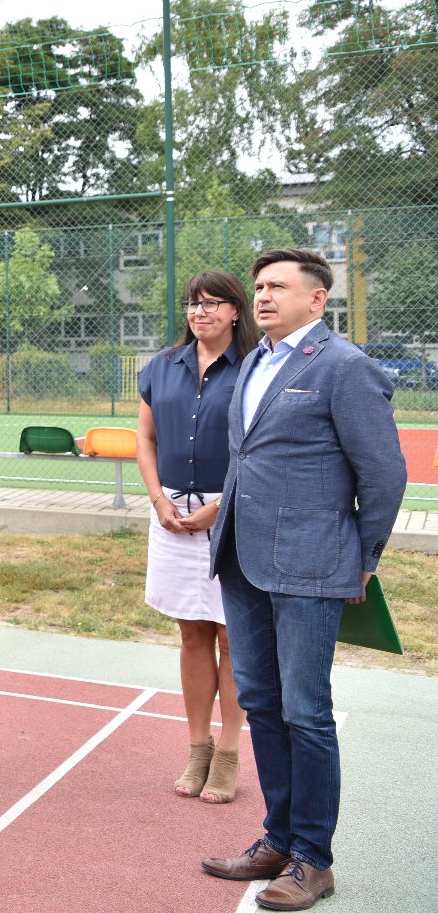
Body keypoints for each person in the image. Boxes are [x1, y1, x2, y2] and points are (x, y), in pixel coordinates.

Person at [201, 248, 406, 911]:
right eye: (258, 286)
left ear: (317, 299)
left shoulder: (344, 368)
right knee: (260, 702)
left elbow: (382, 474)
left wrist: (362, 555)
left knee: (305, 712)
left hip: (311, 563)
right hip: (242, 560)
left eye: (277, 287)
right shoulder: (256, 360)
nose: (261, 296)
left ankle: (312, 860)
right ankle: (277, 839)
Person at [135, 271, 256, 804]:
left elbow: (262, 450)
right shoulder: (162, 366)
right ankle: (197, 747)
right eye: (192, 303)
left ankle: (229, 752)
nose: (200, 311)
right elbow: (145, 436)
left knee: (233, 636)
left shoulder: (257, 367)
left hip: (232, 513)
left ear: (235, 311)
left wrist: (218, 507)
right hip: (171, 516)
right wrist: (160, 500)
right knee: (192, 633)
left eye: (213, 303)